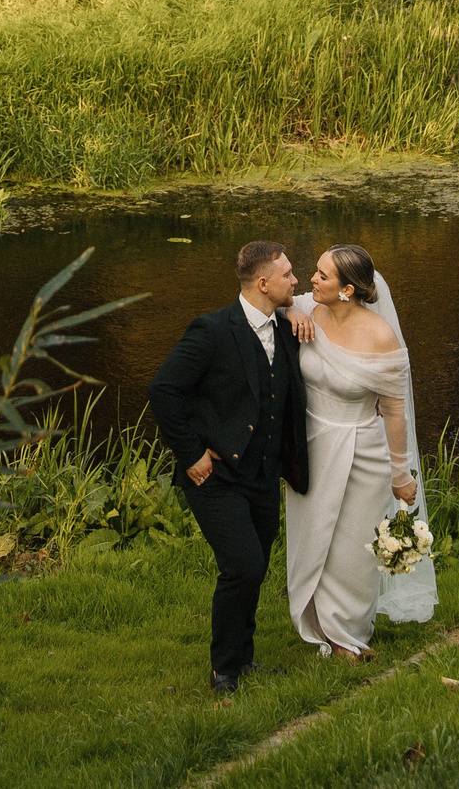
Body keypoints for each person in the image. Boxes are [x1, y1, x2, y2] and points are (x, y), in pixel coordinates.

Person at [147, 240, 310, 695]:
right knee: (243, 566)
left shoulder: (283, 325)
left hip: (263, 475)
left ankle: (244, 657)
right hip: (215, 476)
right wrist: (191, 454)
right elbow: (163, 390)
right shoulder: (212, 330)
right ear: (263, 283)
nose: (296, 280)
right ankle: (223, 670)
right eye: (288, 275)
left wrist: (296, 311)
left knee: (255, 568)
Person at [281, 244, 437, 657]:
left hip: (363, 451)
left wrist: (401, 473)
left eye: (322, 275)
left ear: (347, 290)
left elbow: (395, 411)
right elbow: (272, 299)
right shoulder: (307, 308)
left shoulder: (380, 336)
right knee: (315, 538)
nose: (311, 279)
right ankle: (317, 623)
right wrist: (292, 312)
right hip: (311, 447)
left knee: (352, 549)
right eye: (315, 272)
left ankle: (347, 635)